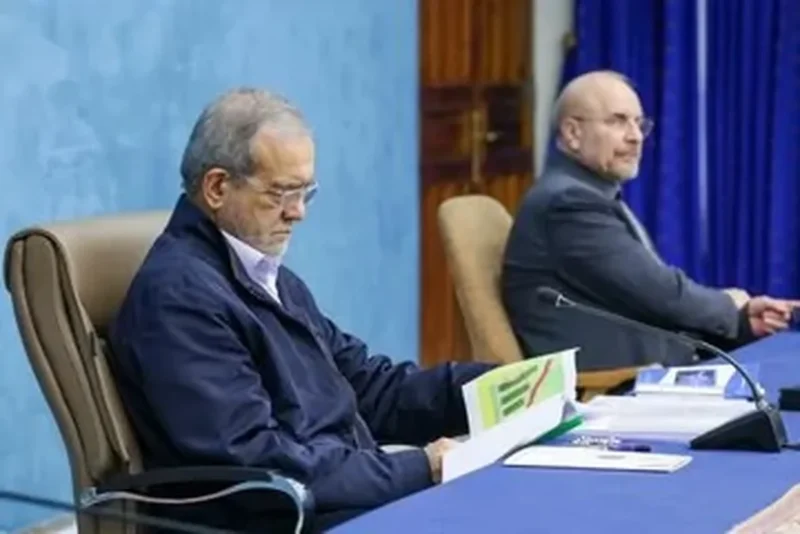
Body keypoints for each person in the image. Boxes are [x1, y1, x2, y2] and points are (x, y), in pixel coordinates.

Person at [107, 87, 493, 532]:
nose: (298, 213)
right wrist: (419, 467)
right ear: (217, 187)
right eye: (282, 193)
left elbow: (370, 388)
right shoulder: (180, 298)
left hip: (333, 501)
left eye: (306, 193)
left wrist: (493, 388)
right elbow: (257, 463)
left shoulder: (266, 275)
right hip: (278, 520)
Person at [502, 70, 798, 371]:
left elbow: (643, 300)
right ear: (573, 133)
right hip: (611, 386)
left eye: (639, 123)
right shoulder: (567, 204)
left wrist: (742, 321)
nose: (635, 137)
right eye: (617, 121)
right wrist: (730, 307)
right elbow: (660, 293)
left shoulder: (588, 193)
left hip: (652, 369)